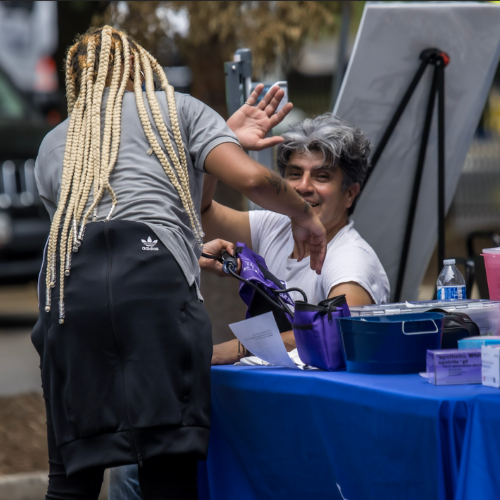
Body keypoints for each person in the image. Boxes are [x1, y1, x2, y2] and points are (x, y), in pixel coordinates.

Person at [31, 25, 327, 500]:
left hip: (66, 301)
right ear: (138, 65)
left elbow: (94, 242)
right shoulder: (178, 109)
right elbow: (251, 179)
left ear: (79, 80)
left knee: (70, 480)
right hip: (153, 294)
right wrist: (305, 214)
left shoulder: (55, 142)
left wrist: (187, 250)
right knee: (167, 473)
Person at [205, 113, 391, 364]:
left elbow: (337, 330)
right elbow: (203, 211)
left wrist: (239, 348)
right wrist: (219, 143)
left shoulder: (351, 258)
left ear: (350, 194)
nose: (304, 186)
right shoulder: (274, 224)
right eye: (294, 173)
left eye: (321, 176)